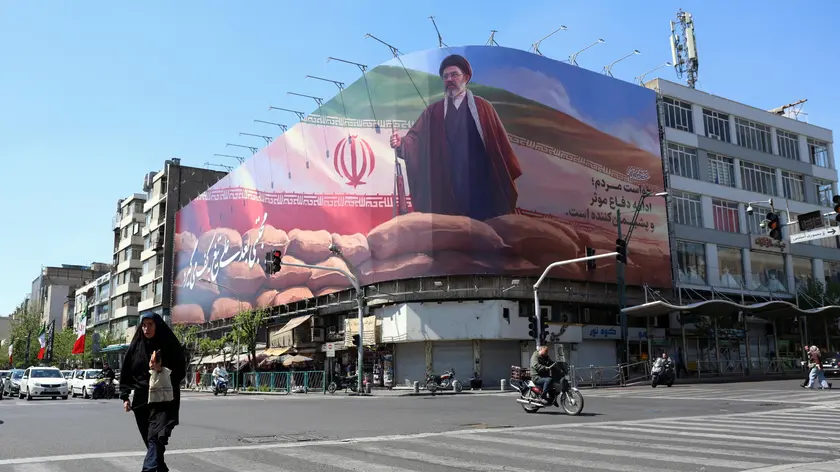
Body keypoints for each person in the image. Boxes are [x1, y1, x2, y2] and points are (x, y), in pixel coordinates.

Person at [390, 54, 523, 222]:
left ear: (465, 77)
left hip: (480, 183)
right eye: (445, 76)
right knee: (450, 229)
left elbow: (499, 146)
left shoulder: (483, 107)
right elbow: (416, 139)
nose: (449, 80)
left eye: (454, 75)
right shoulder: (434, 111)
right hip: (446, 183)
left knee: (484, 229)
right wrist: (401, 143)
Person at [120, 313, 186, 472]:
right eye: (144, 325)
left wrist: (161, 368)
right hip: (142, 400)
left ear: (157, 326)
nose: (146, 328)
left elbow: (180, 370)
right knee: (150, 441)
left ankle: (148, 470)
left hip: (164, 400)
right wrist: (125, 396)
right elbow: (127, 371)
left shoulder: (169, 345)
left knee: (156, 437)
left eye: (150, 324)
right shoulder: (137, 346)